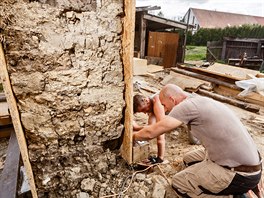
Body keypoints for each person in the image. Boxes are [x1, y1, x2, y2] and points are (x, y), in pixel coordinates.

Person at [133, 84, 262, 197]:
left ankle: (237, 196)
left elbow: (152, 132)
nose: (165, 109)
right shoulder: (199, 100)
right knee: (188, 160)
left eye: (164, 105)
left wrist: (131, 136)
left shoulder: (184, 107)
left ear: (172, 99)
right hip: (252, 166)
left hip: (239, 174)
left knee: (179, 184)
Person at [133, 94, 165, 164]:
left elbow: (161, 132)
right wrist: (135, 128)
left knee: (193, 141)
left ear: (146, 100)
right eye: (142, 111)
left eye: (144, 109)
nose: (145, 113)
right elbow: (151, 128)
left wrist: (160, 158)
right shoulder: (151, 107)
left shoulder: (157, 103)